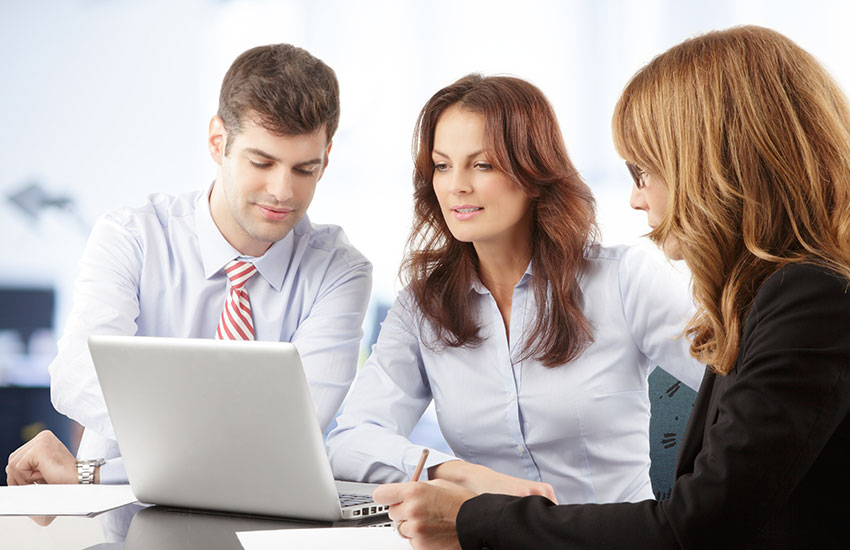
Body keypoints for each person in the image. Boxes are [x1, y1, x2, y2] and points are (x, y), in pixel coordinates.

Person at [373, 25, 850, 548]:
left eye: (644, 171)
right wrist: (447, 476)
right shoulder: (775, 296)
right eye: (441, 166)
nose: (635, 200)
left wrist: (473, 519)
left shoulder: (808, 299)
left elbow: (697, 526)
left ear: (715, 167)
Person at [326, 74, 704, 506]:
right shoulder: (424, 305)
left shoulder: (624, 279)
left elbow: (740, 392)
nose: (456, 185)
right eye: (443, 165)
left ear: (532, 172)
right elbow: (351, 438)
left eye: (482, 165)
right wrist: (454, 470)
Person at [6, 44, 371, 489]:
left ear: (326, 158)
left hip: (262, 525)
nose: (282, 191)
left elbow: (289, 439)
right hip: (126, 522)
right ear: (218, 141)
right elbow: (77, 377)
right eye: (262, 162)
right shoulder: (133, 237)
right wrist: (225, 434)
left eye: (304, 169)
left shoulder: (340, 272)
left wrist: (94, 472)